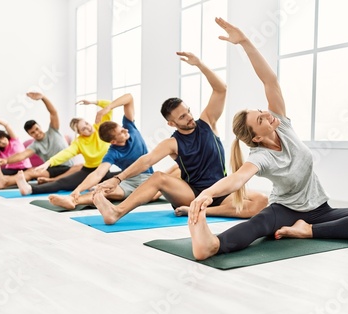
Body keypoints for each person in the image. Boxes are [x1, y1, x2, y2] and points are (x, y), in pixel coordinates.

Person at [186, 17, 348, 261]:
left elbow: (269, 81)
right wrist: (206, 194)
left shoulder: (281, 124)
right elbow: (237, 178)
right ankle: (211, 244)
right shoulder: (261, 156)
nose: (266, 114)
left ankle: (307, 231)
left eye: (261, 111)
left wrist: (244, 42)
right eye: (260, 120)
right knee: (259, 225)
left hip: (320, 210)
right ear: (256, 137)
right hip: (284, 211)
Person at [92, 51, 268, 225]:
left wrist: (199, 64)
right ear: (171, 123)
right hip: (192, 193)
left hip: (222, 191)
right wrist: (117, 178)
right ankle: (116, 212)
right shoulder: (172, 143)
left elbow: (221, 89)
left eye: (188, 111)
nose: (190, 117)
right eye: (182, 117)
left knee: (261, 201)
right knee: (159, 177)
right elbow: (146, 161)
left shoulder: (208, 122)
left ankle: (200, 209)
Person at [48, 93, 162, 209]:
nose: (125, 130)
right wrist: (78, 190)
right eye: (121, 132)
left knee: (168, 177)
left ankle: (152, 194)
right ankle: (73, 201)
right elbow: (98, 173)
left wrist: (107, 108)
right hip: (127, 182)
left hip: (148, 179)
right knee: (103, 191)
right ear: (113, 141)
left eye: (122, 128)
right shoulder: (112, 153)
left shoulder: (130, 127)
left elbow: (129, 98)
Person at [15, 98, 119, 195]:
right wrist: (49, 162)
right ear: (79, 133)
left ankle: (96, 185)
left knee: (124, 175)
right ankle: (30, 189)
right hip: (87, 171)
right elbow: (66, 153)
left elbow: (109, 106)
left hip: (104, 169)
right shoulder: (79, 142)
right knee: (62, 183)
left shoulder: (100, 127)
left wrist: (93, 102)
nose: (88, 128)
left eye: (86, 124)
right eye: (83, 129)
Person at [0, 92, 81, 189]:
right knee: (31, 171)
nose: (36, 133)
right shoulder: (35, 145)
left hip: (68, 169)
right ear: (30, 135)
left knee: (80, 166)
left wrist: (43, 98)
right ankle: (5, 181)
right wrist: (6, 161)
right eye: (32, 132)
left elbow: (53, 112)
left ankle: (52, 181)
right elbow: (22, 155)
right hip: (51, 170)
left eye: (36, 129)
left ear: (39, 126)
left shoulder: (53, 130)